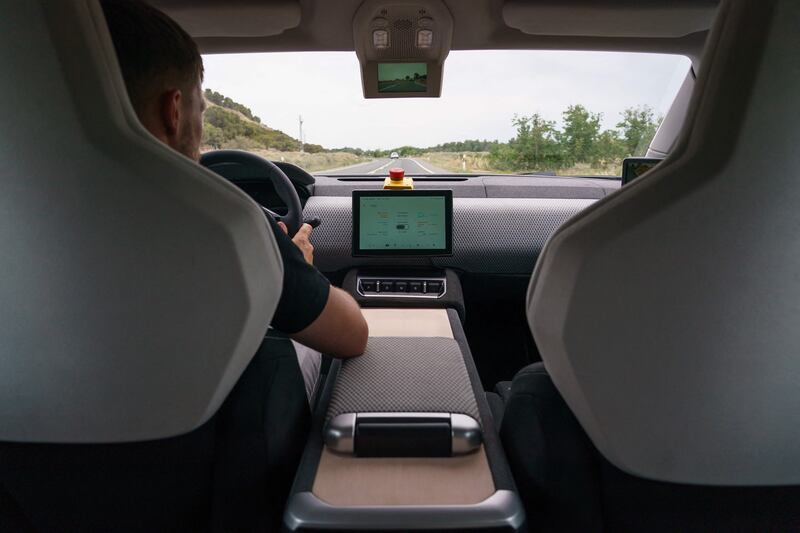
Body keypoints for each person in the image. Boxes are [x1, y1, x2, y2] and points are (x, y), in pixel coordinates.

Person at [100, 0, 368, 396]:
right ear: (173, 110)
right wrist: (292, 267)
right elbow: (352, 336)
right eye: (200, 109)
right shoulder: (226, 220)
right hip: (205, 447)